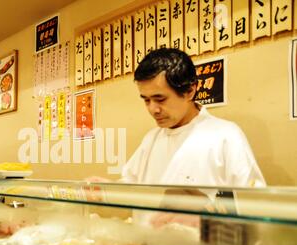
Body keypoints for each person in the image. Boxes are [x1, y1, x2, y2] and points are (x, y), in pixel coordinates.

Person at [89, 48, 265, 227]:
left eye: (160, 99)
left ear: (190, 91)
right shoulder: (152, 138)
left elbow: (255, 206)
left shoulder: (225, 135)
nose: (153, 109)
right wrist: (110, 189)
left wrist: (204, 219)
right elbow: (134, 186)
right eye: (146, 100)